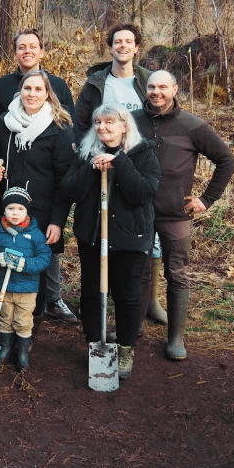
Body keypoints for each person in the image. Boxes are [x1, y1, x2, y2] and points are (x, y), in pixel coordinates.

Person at [134, 70, 234, 361]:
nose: (156, 92)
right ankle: (133, 328)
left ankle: (175, 338)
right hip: (138, 211)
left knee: (176, 273)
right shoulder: (132, 121)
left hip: (175, 214)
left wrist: (207, 199)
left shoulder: (192, 126)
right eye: (151, 86)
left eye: (163, 87)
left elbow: (226, 160)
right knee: (138, 271)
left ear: (175, 90)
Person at [59, 104, 161, 380]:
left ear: (124, 126)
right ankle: (95, 344)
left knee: (127, 295)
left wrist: (119, 161)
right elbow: (69, 190)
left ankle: (126, 348)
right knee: (92, 293)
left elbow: (143, 193)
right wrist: (91, 168)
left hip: (130, 238)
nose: (102, 127)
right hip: (93, 237)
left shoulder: (143, 153)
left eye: (109, 122)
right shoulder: (85, 153)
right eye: (98, 122)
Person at [0, 30, 75, 322]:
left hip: (42, 207)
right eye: (27, 89)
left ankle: (35, 321)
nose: (32, 94)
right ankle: (6, 320)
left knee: (38, 263)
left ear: (47, 93)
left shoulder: (59, 128)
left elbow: (65, 180)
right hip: (9, 203)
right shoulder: (5, 122)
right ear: (19, 91)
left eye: (38, 89)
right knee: (6, 256)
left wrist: (57, 220)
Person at [0, 187, 51, 372]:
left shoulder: (35, 234)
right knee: (5, 319)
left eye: (20, 209)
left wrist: (24, 264)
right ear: (4, 210)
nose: (15, 213)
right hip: (3, 287)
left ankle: (22, 353)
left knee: (23, 320)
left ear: (27, 211)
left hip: (26, 288)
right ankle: (5, 349)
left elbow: (44, 259)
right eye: (10, 208)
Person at [0, 29, 75, 143]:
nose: (27, 51)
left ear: (41, 53)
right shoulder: (2, 85)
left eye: (33, 47)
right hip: (9, 150)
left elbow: (72, 127)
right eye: (22, 47)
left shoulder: (58, 86)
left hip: (50, 151)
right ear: (15, 55)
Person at [75, 22, 151, 136]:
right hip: (102, 146)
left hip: (141, 145)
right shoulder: (96, 82)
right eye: (118, 42)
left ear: (136, 48)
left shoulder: (149, 81)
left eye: (128, 42)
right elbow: (79, 124)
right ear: (110, 49)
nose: (123, 45)